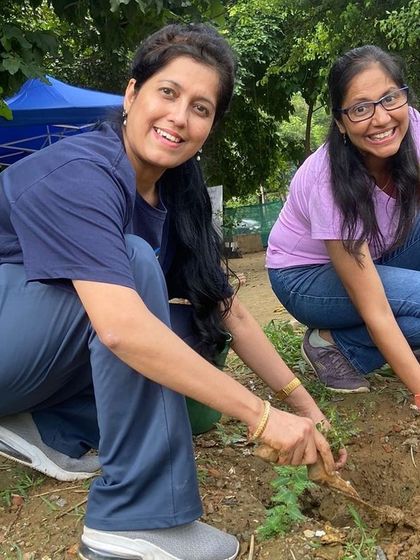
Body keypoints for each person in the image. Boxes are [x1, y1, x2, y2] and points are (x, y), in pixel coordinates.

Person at [0, 23, 339, 560]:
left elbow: (231, 311)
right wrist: (261, 417)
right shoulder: (80, 172)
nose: (180, 118)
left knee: (192, 331)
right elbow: (119, 327)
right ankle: (135, 518)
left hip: (27, 355)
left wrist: (301, 403)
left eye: (201, 108)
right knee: (134, 269)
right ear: (132, 94)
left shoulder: (174, 193)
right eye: (168, 93)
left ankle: (44, 424)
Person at [267, 45, 420, 405]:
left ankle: (341, 342)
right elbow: (376, 309)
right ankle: (336, 344)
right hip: (305, 277)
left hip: (380, 250)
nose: (381, 119)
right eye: (361, 109)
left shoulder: (412, 125)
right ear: (340, 122)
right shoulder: (328, 181)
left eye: (389, 99)